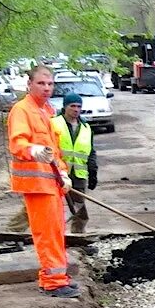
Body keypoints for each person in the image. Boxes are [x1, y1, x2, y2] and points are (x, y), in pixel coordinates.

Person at [5, 65, 77, 298]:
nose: (47, 88)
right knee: (46, 234)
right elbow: (18, 144)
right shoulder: (22, 110)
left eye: (50, 84)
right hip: (36, 185)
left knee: (56, 232)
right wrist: (33, 150)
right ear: (29, 85)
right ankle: (53, 282)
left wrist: (63, 173)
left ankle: (58, 277)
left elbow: (54, 151)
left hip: (50, 184)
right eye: (41, 84)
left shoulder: (46, 111)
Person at [52, 92, 97, 233]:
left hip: (78, 175)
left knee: (79, 209)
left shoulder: (86, 128)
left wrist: (93, 173)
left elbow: (90, 152)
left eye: (79, 106)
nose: (76, 109)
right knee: (44, 204)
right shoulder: (53, 123)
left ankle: (78, 236)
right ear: (65, 107)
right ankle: (13, 232)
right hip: (56, 172)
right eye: (73, 106)